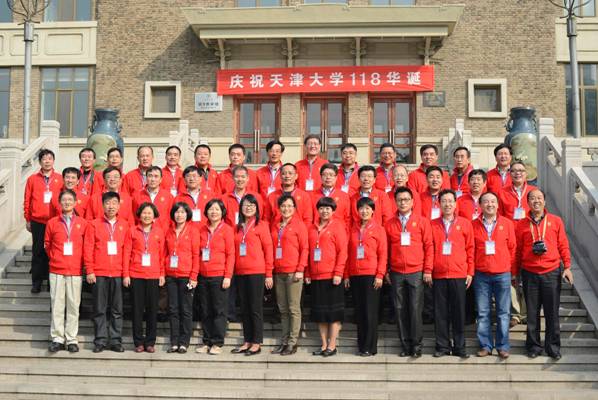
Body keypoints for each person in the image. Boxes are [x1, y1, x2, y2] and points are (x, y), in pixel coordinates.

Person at [515, 189, 572, 360]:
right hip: (529, 272)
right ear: (528, 203)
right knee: (532, 313)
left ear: (544, 202)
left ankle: (553, 347)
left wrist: (567, 266)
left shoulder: (555, 221)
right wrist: (515, 273)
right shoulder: (521, 224)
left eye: (539, 198)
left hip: (551, 272)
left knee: (551, 313)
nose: (536, 201)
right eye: (532, 198)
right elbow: (518, 250)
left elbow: (563, 244)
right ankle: (533, 346)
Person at [426, 189, 474, 359]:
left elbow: (470, 249)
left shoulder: (465, 224)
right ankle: (442, 346)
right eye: (444, 201)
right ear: (439, 204)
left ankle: (460, 347)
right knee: (440, 313)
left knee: (458, 312)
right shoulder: (432, 224)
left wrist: (470, 271)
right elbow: (429, 249)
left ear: (455, 203)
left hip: (459, 274)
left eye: (450, 201)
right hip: (439, 275)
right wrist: (428, 270)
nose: (447, 204)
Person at [385, 187, 433, 358]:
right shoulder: (390, 223)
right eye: (400, 200)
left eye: (406, 199)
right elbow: (386, 249)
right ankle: (405, 345)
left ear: (412, 202)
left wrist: (427, 269)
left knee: (415, 308)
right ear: (395, 202)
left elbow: (429, 246)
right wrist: (386, 269)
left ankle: (416, 345)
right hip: (396, 272)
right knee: (399, 309)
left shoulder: (422, 221)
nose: (403, 202)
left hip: (416, 272)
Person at [472, 191, 516, 359]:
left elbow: (512, 248)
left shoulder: (507, 224)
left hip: (502, 274)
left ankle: (502, 346)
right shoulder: (473, 225)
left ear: (497, 205)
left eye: (493, 202)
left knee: (503, 312)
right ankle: (485, 345)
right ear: (480, 205)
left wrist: (510, 269)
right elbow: (471, 249)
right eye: (486, 202)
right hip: (481, 274)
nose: (489, 204)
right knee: (483, 312)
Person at [44, 189, 88, 352]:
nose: (67, 202)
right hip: (56, 269)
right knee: (57, 304)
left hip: (75, 270)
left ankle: (71, 339)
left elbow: (86, 246)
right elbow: (47, 244)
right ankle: (57, 338)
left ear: (75, 203)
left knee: (73, 305)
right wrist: (55, 257)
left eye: (70, 200)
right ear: (59, 203)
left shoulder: (83, 223)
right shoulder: (52, 222)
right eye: (64, 200)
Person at [83, 191, 127, 353]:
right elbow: (88, 248)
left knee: (117, 310)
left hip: (118, 273)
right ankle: (100, 340)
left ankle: (115, 340)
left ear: (119, 205)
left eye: (114, 203)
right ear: (102, 205)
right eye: (107, 203)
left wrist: (126, 273)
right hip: (99, 273)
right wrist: (90, 270)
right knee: (99, 309)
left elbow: (128, 251)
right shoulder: (94, 224)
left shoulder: (125, 225)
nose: (111, 206)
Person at [231, 194, 274, 356]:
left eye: (252, 205)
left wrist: (269, 273)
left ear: (257, 208)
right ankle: (247, 340)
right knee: (244, 308)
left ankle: (256, 342)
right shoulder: (237, 227)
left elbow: (268, 250)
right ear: (241, 207)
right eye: (245, 205)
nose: (248, 208)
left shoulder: (262, 225)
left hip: (257, 272)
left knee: (255, 308)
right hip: (240, 272)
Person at [345, 197, 387, 356]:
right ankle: (361, 345)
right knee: (360, 312)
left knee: (370, 312)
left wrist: (380, 274)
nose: (364, 211)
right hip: (355, 275)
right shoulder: (353, 229)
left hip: (371, 275)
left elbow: (383, 254)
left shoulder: (378, 229)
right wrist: (346, 274)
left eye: (367, 208)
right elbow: (348, 253)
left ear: (373, 211)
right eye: (361, 208)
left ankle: (370, 347)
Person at [306, 197, 347, 357]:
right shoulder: (311, 228)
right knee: (320, 313)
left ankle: (332, 344)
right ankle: (323, 344)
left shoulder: (338, 227)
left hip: (332, 276)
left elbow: (342, 252)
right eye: (322, 208)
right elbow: (308, 251)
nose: (324, 211)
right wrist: (308, 273)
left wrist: (338, 272)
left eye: (328, 208)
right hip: (316, 277)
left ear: (333, 211)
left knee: (333, 313)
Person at [123, 202, 165, 353]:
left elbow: (162, 255)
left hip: (153, 275)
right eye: (144, 213)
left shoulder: (159, 232)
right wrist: (126, 274)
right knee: (137, 310)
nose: (147, 215)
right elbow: (126, 253)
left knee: (152, 310)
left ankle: (150, 342)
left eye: (149, 213)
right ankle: (138, 342)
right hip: (136, 274)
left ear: (154, 216)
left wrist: (162, 273)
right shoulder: (132, 231)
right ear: (139, 215)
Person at [498, 161, 536, 327]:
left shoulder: (533, 191)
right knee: (511, 275)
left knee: (527, 275)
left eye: (521, 170)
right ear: (510, 174)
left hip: (528, 237)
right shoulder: (503, 192)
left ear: (526, 173)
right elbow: (499, 215)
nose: (517, 173)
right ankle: (515, 313)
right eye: (513, 171)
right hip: (509, 238)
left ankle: (527, 312)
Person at [271, 195, 308, 356]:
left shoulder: (299, 225)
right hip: (279, 271)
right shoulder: (276, 225)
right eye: (283, 206)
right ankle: (284, 341)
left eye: (289, 206)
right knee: (283, 309)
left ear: (294, 208)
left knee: (293, 308)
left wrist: (300, 269)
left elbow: (305, 248)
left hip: (293, 272)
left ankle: (293, 342)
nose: (286, 209)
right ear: (279, 208)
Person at [196, 199, 235, 355]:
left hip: (219, 276)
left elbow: (231, 254)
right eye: (211, 209)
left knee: (219, 310)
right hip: (203, 275)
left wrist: (228, 276)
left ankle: (217, 342)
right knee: (205, 310)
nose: (214, 212)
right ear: (206, 212)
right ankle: (207, 341)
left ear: (222, 212)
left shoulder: (227, 230)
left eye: (217, 209)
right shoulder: (201, 229)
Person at [24, 149, 63, 293]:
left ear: (53, 161)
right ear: (40, 162)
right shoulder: (32, 179)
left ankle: (51, 282)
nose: (47, 161)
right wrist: (28, 219)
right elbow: (27, 200)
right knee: (38, 251)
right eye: (44, 159)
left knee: (53, 251)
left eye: (50, 158)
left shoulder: (60, 178)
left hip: (55, 221)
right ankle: (37, 282)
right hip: (37, 221)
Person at [163, 202, 200, 354]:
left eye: (183, 212)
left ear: (187, 214)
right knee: (173, 309)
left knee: (185, 309)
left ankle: (184, 342)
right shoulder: (169, 231)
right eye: (177, 212)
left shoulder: (193, 231)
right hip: (171, 275)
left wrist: (194, 276)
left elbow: (196, 255)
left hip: (186, 275)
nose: (179, 215)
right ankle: (174, 341)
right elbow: (164, 253)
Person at [132, 166, 174, 233]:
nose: (153, 179)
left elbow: (172, 218)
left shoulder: (168, 196)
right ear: (146, 178)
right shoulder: (137, 195)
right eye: (150, 176)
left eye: (156, 176)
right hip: (142, 234)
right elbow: (134, 217)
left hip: (163, 234)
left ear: (161, 179)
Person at [311, 163, 351, 230]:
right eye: (325, 174)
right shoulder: (312, 195)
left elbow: (348, 219)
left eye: (331, 175)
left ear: (336, 177)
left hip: (338, 232)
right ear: (320, 177)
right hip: (318, 231)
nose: (328, 177)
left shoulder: (344, 196)